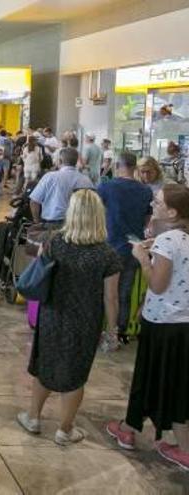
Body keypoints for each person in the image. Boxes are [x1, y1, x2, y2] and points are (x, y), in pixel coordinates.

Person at [17, 189, 121, 445]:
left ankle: (33, 417)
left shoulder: (54, 243)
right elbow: (111, 298)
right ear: (99, 216)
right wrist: (112, 329)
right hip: (86, 321)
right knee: (76, 374)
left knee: (45, 365)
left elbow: (41, 274)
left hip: (53, 313)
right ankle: (65, 430)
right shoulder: (108, 255)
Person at [105, 184, 189, 470]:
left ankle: (129, 429)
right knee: (175, 383)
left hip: (162, 323)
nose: (153, 204)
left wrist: (143, 259)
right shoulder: (181, 239)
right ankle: (175, 443)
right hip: (182, 324)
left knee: (148, 378)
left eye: (158, 202)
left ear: (173, 211)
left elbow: (157, 284)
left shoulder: (166, 241)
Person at [97, 152, 153, 343]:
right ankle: (121, 332)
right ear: (135, 167)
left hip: (110, 245)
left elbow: (96, 213)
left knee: (106, 292)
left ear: (117, 165)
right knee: (125, 292)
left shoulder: (106, 187)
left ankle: (105, 329)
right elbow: (147, 219)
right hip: (134, 247)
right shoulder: (145, 191)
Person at [29, 148, 94, 225]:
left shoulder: (50, 177)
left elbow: (34, 201)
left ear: (60, 161)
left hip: (52, 224)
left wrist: (37, 222)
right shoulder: (86, 180)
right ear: (76, 162)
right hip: (78, 225)